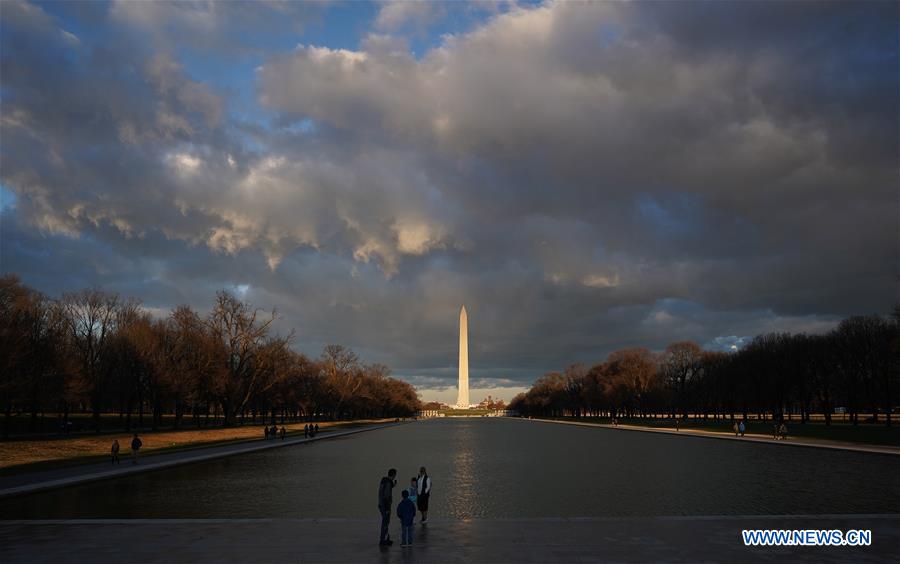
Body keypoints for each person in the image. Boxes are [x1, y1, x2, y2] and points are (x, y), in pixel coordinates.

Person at [378, 468, 397, 546]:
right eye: (395, 475)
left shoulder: (384, 481)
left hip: (381, 504)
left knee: (385, 522)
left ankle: (386, 538)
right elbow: (386, 495)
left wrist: (393, 485)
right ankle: (383, 540)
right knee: (385, 523)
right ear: (393, 475)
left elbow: (385, 489)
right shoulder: (388, 483)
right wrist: (387, 508)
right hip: (385, 506)